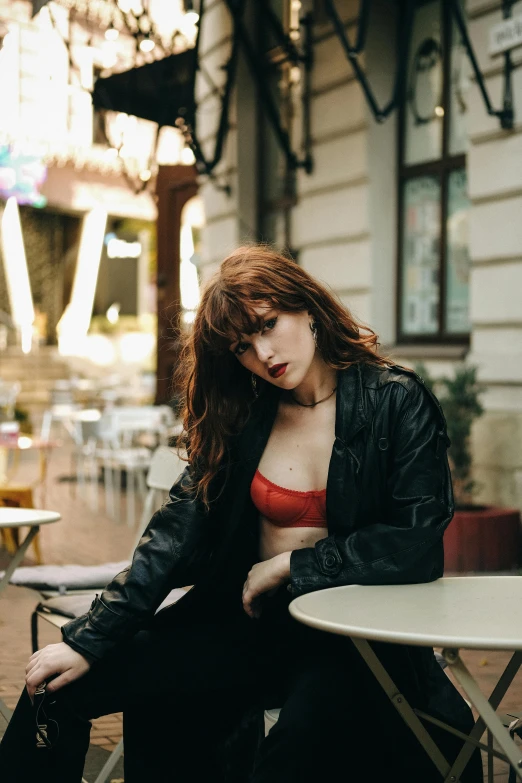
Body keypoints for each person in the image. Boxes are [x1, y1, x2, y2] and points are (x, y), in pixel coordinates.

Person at [0, 245, 483, 782]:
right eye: (243, 346)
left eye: (269, 325)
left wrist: (291, 567)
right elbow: (173, 535)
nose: (263, 353)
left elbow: (415, 542)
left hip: (348, 641)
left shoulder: (397, 402)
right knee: (54, 686)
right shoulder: (244, 410)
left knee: (288, 761)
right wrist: (91, 638)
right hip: (244, 624)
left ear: (308, 308)